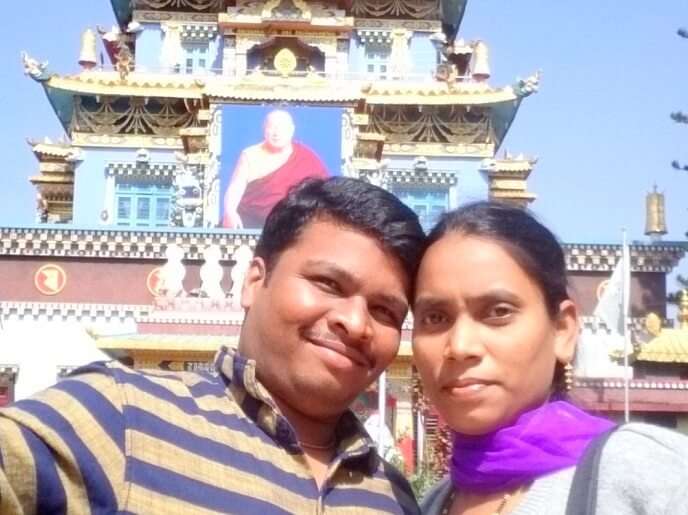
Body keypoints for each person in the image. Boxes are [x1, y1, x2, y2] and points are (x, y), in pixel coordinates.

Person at [0, 177, 425, 514]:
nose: (355, 323)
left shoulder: (393, 496)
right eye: (328, 284)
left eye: (385, 311)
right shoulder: (122, 415)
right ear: (254, 281)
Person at [412, 201, 688, 515]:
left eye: (498, 312)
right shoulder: (432, 503)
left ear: (562, 330)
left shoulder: (642, 473)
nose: (460, 346)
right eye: (435, 318)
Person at [222, 109, 329, 229]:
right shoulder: (250, 155)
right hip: (250, 224)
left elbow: (324, 193)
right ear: (264, 130)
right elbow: (236, 186)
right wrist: (230, 211)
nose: (276, 133)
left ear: (292, 130)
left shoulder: (307, 158)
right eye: (271, 127)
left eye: (282, 128)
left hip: (290, 227)